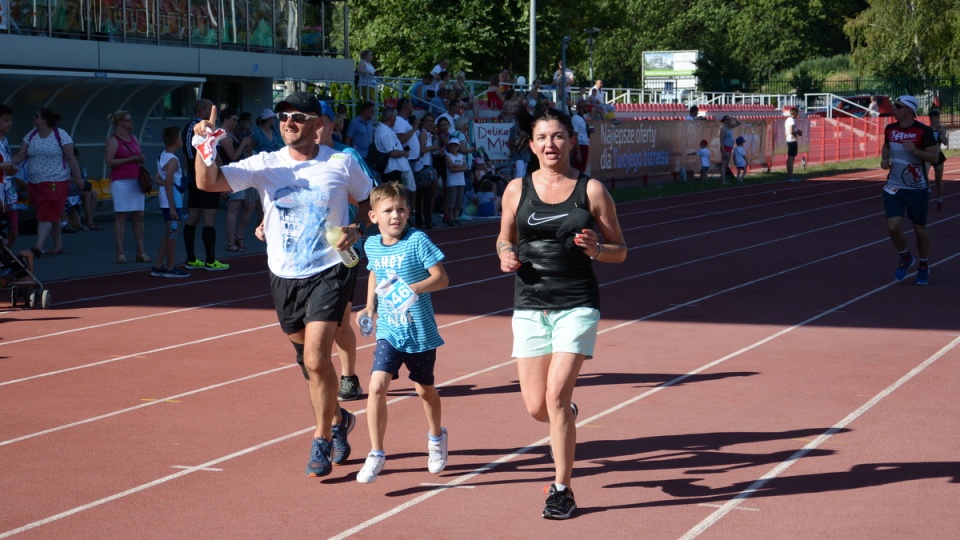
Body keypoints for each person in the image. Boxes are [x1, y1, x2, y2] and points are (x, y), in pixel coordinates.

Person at [193, 92, 372, 476]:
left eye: (298, 116)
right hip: (284, 275)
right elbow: (208, 182)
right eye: (283, 116)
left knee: (315, 358)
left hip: (330, 268)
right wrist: (205, 144)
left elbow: (369, 202)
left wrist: (356, 229)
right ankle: (340, 419)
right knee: (307, 365)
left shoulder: (341, 163)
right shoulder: (265, 164)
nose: (288, 122)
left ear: (317, 124)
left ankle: (321, 438)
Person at [496, 105, 626, 520]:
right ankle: (566, 415)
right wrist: (505, 255)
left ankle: (561, 488)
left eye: (557, 136)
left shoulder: (591, 191)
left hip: (576, 302)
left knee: (555, 396)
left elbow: (620, 251)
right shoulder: (516, 189)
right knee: (538, 407)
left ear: (571, 141)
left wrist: (596, 249)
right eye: (541, 138)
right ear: (531, 145)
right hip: (530, 304)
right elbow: (504, 238)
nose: (549, 144)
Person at [354, 182, 450, 484]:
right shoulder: (371, 244)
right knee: (377, 386)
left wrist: (413, 289)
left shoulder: (417, 240)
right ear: (373, 216)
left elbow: (442, 278)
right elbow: (374, 272)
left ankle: (436, 437)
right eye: (388, 210)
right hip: (389, 330)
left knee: (425, 390)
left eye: (400, 209)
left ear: (408, 212)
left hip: (420, 331)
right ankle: (377, 453)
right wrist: (369, 307)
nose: (395, 215)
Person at [881, 95, 941, 286]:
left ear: (908, 110)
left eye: (897, 107)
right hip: (894, 186)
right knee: (892, 227)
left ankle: (923, 265)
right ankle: (905, 257)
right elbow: (886, 146)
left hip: (917, 188)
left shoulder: (923, 131)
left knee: (920, 230)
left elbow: (935, 157)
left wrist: (916, 152)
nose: (894, 110)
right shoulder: (890, 129)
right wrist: (884, 159)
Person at [11, 107, 84, 259]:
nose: (33, 118)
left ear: (44, 120)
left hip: (56, 180)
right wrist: (6, 166)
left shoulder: (61, 135)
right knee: (52, 213)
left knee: (46, 211)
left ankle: (38, 245)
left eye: (36, 116)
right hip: (36, 182)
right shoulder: (30, 136)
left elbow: (71, 158)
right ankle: (58, 245)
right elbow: (21, 155)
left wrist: (78, 178)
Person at [182, 99, 230, 271]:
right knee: (209, 218)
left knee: (193, 217)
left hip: (193, 177)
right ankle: (210, 260)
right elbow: (212, 153)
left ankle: (191, 258)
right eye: (210, 110)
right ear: (203, 111)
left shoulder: (187, 128)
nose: (212, 115)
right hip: (207, 176)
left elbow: (187, 153)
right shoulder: (204, 128)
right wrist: (223, 177)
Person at [151, 126, 189, 278]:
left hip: (166, 199)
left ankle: (159, 264)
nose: (182, 140)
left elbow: (158, 178)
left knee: (170, 232)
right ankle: (170, 267)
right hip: (172, 200)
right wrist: (172, 208)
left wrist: (166, 183)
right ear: (176, 140)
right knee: (173, 233)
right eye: (180, 137)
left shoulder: (163, 155)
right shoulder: (173, 160)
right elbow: (167, 182)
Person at [218, 109, 255, 252]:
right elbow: (232, 156)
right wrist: (243, 143)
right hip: (231, 175)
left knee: (249, 206)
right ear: (226, 119)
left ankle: (238, 236)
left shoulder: (231, 134)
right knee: (233, 209)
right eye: (234, 119)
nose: (236, 122)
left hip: (238, 174)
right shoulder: (223, 134)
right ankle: (230, 242)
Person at [0, 104, 20, 249]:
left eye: (10, 120)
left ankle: (6, 256)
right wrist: (3, 167)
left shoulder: (5, 141)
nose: (10, 123)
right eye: (6, 120)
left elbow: (6, 163)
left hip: (7, 189)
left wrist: (11, 169)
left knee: (14, 231)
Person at [374, 108, 411, 185]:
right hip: (392, 170)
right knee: (393, 195)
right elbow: (392, 153)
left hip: (393, 169)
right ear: (391, 117)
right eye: (395, 117)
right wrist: (404, 153)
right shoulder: (385, 132)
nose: (396, 119)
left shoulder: (384, 129)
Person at [927, 109, 949, 210]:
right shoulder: (927, 129)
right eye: (931, 117)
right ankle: (928, 189)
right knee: (923, 175)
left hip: (938, 154)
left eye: (935, 117)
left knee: (938, 180)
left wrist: (939, 133)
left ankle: (940, 198)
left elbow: (945, 142)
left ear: (938, 118)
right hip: (928, 155)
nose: (932, 119)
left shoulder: (942, 129)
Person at [443, 136, 467, 226]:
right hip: (452, 182)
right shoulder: (448, 156)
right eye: (452, 146)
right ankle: (451, 218)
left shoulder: (462, 156)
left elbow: (465, 167)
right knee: (451, 202)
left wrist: (455, 166)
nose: (454, 147)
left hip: (461, 181)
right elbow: (451, 168)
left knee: (458, 202)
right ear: (449, 147)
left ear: (458, 147)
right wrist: (461, 167)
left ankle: (456, 218)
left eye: (455, 146)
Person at [719, 115, 740, 185]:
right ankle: (723, 180)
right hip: (726, 147)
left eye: (729, 120)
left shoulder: (729, 127)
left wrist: (734, 118)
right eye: (727, 119)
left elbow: (739, 123)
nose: (729, 121)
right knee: (724, 164)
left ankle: (724, 178)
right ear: (724, 121)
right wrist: (723, 150)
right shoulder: (723, 129)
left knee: (726, 164)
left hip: (729, 147)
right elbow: (721, 140)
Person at [571, 101, 590, 172]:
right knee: (578, 169)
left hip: (584, 144)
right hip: (580, 145)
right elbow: (575, 135)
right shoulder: (576, 118)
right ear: (582, 107)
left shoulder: (581, 118)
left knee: (582, 168)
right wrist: (578, 151)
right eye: (586, 106)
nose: (587, 108)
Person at [784, 107, 803, 182]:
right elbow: (791, 131)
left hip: (790, 139)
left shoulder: (790, 119)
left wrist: (797, 131)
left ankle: (790, 175)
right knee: (791, 158)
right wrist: (798, 132)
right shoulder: (791, 120)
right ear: (795, 113)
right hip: (791, 140)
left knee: (791, 158)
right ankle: (790, 176)